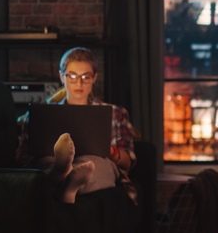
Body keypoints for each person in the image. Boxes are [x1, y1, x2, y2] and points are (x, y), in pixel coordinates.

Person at [18, 47, 137, 204]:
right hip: (50, 160)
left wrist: (109, 151)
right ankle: (61, 175)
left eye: (86, 77)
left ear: (94, 77)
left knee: (92, 164)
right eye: (72, 76)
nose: (79, 83)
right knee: (48, 161)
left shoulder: (114, 112)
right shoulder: (41, 113)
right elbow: (21, 158)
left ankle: (64, 180)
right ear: (62, 76)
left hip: (97, 161)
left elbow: (128, 162)